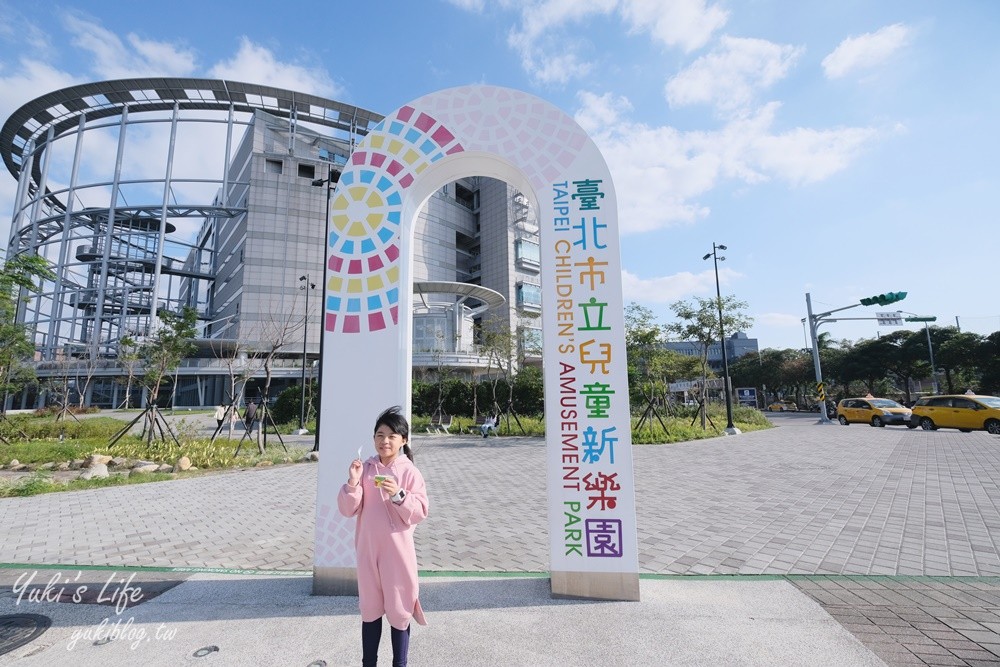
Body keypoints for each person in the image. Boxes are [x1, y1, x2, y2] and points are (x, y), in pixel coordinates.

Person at [338, 406, 428, 667]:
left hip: (397, 555)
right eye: (379, 435)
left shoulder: (409, 471)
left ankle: (400, 663)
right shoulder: (365, 469)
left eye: (391, 435)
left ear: (404, 440)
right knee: (370, 610)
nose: (384, 441)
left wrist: (399, 495)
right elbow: (347, 509)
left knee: (400, 612)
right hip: (367, 552)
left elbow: (421, 510)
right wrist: (352, 483)